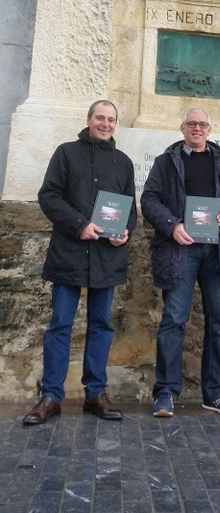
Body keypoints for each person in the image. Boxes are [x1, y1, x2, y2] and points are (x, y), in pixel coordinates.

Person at [23, 100, 137, 425]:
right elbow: (49, 196)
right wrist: (79, 224)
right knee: (60, 325)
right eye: (100, 117)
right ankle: (51, 396)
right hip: (70, 254)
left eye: (111, 119)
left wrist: (124, 232)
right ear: (89, 120)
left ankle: (95, 394)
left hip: (107, 258)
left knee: (101, 326)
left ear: (116, 124)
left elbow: (130, 211)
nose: (105, 123)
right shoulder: (65, 153)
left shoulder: (123, 163)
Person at [141, 107, 220, 417]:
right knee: (173, 319)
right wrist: (172, 225)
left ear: (209, 130)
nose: (197, 129)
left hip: (217, 252)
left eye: (202, 124)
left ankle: (215, 393)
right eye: (191, 124)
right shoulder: (165, 162)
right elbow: (149, 200)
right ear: (182, 128)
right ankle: (165, 393)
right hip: (179, 251)